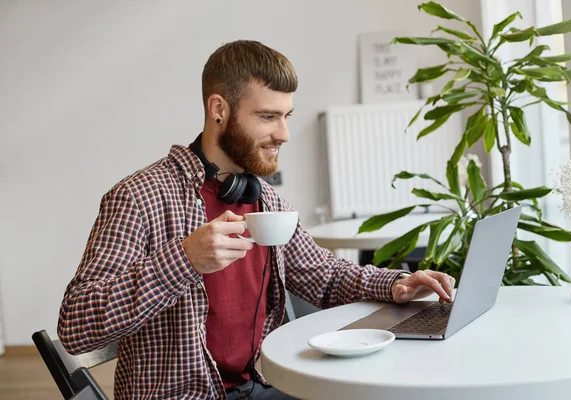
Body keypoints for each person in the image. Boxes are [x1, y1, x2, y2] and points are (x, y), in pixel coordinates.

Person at [58, 40, 456, 400]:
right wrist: (185, 259)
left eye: (286, 116)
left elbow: (324, 275)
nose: (283, 133)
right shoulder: (139, 197)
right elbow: (76, 326)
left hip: (263, 383)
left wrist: (399, 284)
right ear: (219, 110)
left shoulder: (264, 198)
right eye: (268, 116)